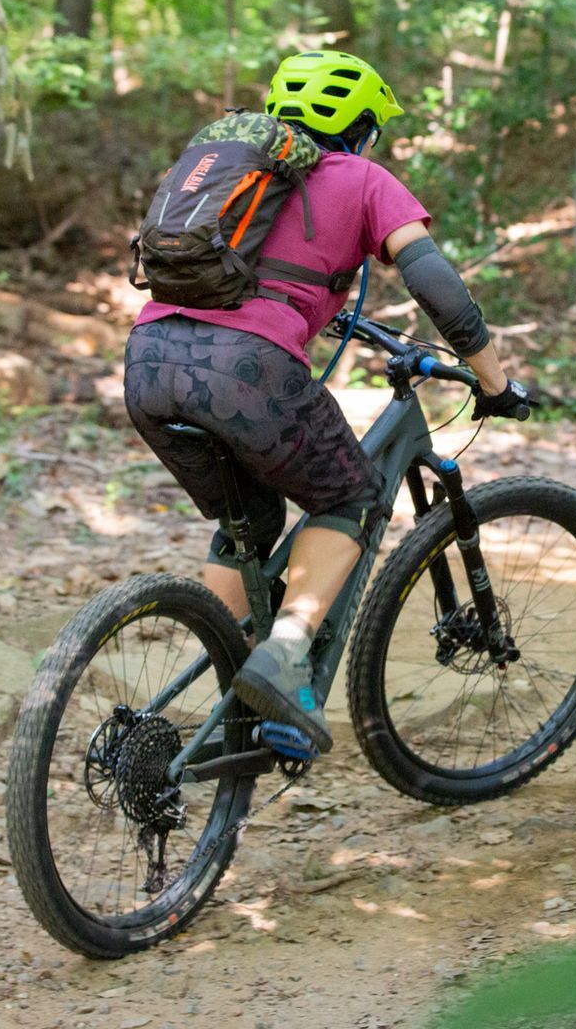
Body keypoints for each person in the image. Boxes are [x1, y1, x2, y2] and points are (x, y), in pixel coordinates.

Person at [124, 49, 529, 754]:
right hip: (246, 371)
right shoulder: (364, 179)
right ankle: (282, 658)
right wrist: (493, 380)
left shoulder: (239, 176)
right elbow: (438, 288)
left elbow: (247, 271)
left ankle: (219, 698)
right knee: (354, 495)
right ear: (364, 127)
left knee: (250, 519)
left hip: (148, 362)